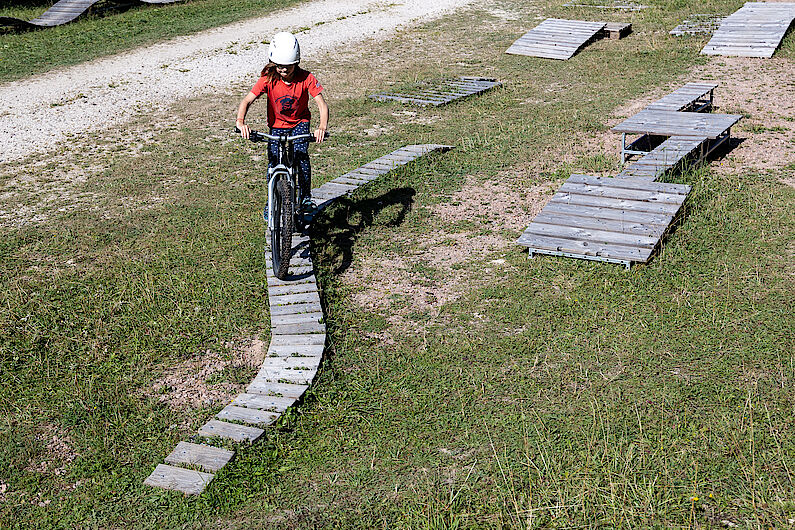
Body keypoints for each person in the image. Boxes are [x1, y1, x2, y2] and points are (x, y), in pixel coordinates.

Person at [236, 32, 328, 217]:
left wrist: (322, 128)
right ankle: (271, 202)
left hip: (299, 123)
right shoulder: (268, 79)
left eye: (288, 66)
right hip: (277, 126)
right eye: (279, 66)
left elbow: (321, 103)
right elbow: (247, 100)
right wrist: (240, 122)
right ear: (273, 63)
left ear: (296, 62)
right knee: (273, 162)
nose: (284, 70)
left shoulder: (306, 78)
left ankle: (305, 197)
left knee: (301, 157)